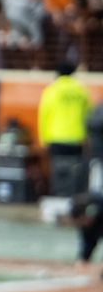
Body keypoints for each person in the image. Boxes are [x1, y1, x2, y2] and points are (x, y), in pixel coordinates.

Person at [38, 60, 92, 193]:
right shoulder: (81, 91)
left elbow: (43, 115)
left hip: (55, 137)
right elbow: (88, 116)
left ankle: (58, 196)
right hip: (76, 138)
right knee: (75, 170)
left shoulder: (51, 90)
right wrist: (87, 137)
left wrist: (43, 138)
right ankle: (73, 197)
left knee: (58, 171)